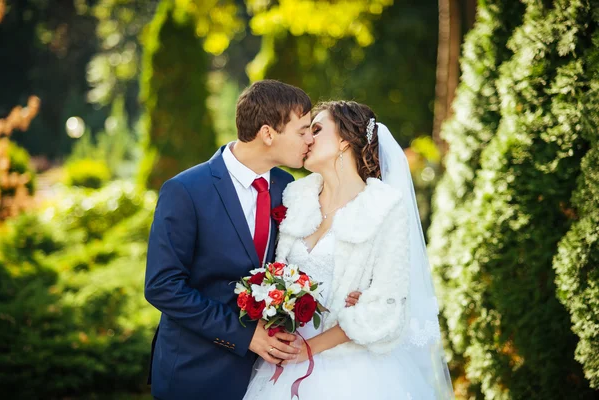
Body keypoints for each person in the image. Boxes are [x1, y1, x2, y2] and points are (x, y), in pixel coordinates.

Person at [243, 101, 455, 399]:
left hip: (352, 371)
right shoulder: (294, 195)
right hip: (280, 359)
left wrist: (309, 349)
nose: (307, 139)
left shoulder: (384, 207)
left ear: (344, 140)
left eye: (316, 130)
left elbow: (386, 305)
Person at [144, 80, 314, 400]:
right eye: (303, 130)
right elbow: (162, 285)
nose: (310, 139)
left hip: (265, 378)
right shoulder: (186, 191)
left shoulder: (286, 185)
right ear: (267, 133)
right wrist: (244, 335)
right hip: (195, 371)